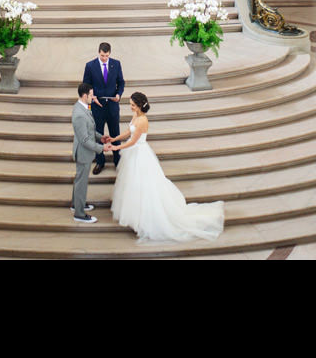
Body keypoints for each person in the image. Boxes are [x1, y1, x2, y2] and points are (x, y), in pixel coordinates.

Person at [105, 92, 224, 241]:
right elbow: (129, 132)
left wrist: (116, 148)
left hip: (140, 153)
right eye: (130, 104)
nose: (130, 107)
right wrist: (115, 138)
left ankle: (145, 220)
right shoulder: (136, 115)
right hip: (133, 154)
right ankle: (136, 218)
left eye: (133, 105)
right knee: (133, 185)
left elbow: (133, 141)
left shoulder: (143, 120)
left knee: (145, 186)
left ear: (140, 105)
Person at [71, 82, 111, 224]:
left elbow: (89, 131)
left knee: (79, 179)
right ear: (84, 95)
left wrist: (101, 137)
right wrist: (102, 148)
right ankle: (79, 214)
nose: (93, 97)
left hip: (84, 151)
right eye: (91, 95)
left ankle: (76, 204)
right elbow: (85, 140)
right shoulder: (79, 114)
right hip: (83, 153)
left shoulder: (83, 107)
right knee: (82, 182)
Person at [83, 42, 125, 175]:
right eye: (102, 55)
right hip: (97, 106)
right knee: (98, 135)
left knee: (115, 133)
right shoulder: (90, 66)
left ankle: (117, 160)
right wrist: (92, 97)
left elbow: (121, 82)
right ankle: (100, 162)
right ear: (98, 52)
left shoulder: (116, 64)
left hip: (112, 105)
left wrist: (119, 94)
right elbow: (85, 85)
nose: (104, 58)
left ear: (110, 53)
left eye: (106, 56)